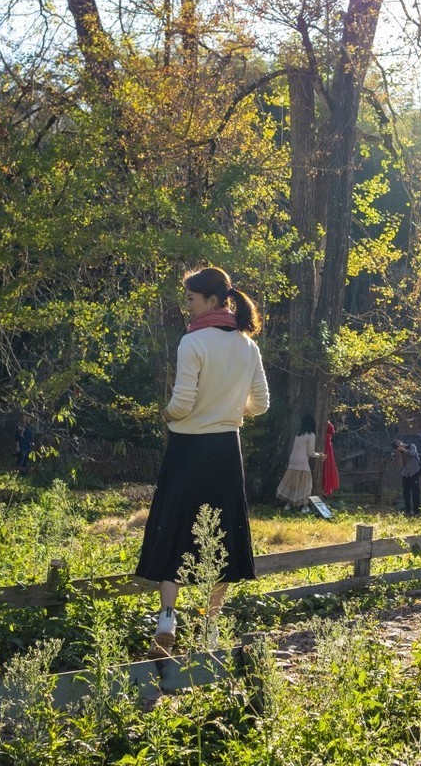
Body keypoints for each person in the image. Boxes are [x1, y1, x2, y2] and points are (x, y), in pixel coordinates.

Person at [135, 266, 269, 653]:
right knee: (222, 534)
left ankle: (167, 618)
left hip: (187, 449)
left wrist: (166, 414)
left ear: (211, 300)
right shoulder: (248, 345)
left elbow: (182, 403)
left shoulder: (192, 342)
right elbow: (260, 405)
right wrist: (230, 409)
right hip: (226, 450)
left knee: (174, 527)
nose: (187, 306)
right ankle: (211, 628)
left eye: (191, 298)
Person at [277, 413, 322, 511]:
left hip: (293, 459)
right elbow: (310, 453)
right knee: (306, 483)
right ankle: (304, 506)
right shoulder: (311, 435)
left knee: (293, 482)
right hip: (302, 461)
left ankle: (288, 504)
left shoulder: (298, 434)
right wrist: (319, 455)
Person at [395, 439, 421, 516]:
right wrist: (399, 453)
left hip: (414, 472)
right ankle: (408, 511)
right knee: (406, 493)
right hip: (405, 474)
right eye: (397, 445)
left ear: (402, 442)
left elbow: (412, 454)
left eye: (399, 443)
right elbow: (401, 464)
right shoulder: (398, 452)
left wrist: (403, 450)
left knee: (415, 493)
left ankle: (417, 512)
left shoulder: (411, 446)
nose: (399, 445)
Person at [321, 420, 339, 498]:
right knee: (327, 467)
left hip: (326, 447)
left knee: (326, 467)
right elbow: (332, 430)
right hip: (327, 447)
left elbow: (331, 430)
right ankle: (324, 490)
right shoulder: (327, 423)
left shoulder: (326, 423)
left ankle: (324, 490)